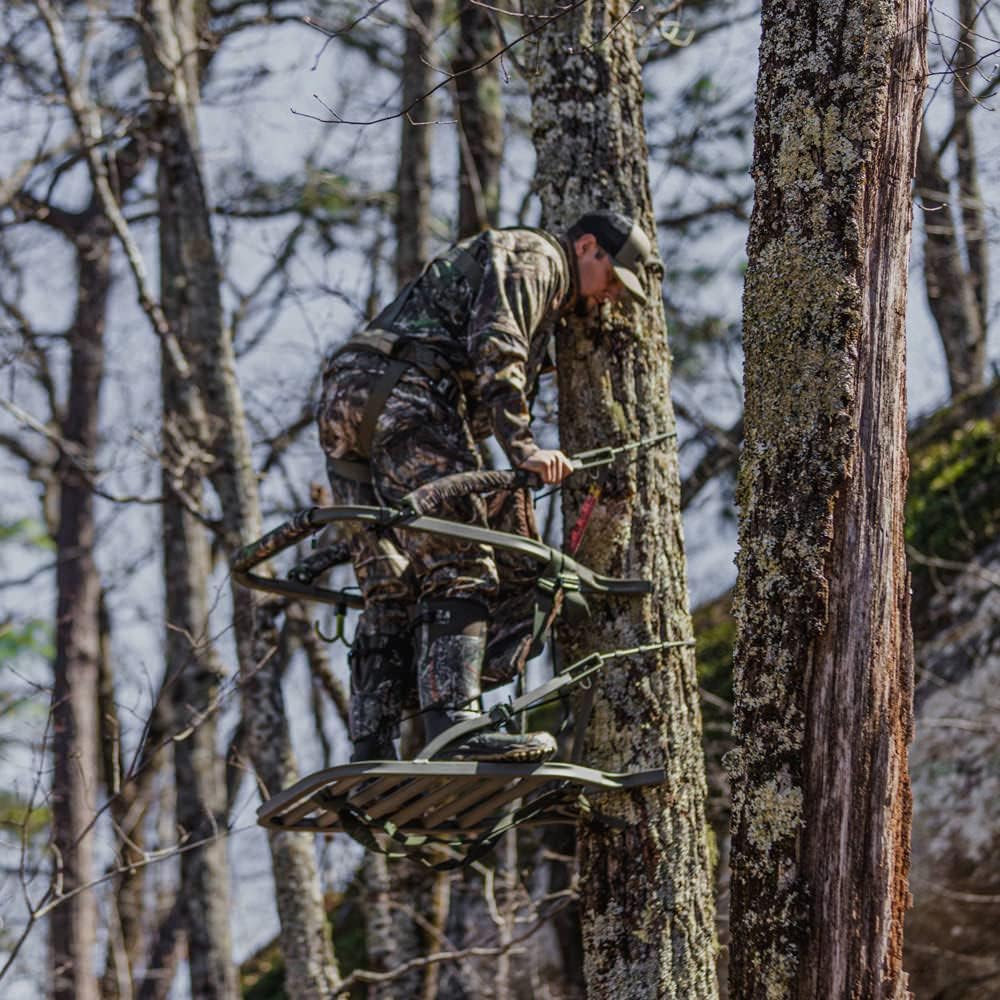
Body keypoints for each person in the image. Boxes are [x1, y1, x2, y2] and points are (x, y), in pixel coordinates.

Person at [317, 210, 654, 763]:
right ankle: (456, 728)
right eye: (613, 277)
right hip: (409, 397)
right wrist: (524, 449)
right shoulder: (538, 258)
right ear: (587, 246)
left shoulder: (529, 270)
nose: (611, 294)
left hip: (346, 404)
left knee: (391, 585)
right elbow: (499, 345)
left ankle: (370, 748)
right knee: (464, 561)